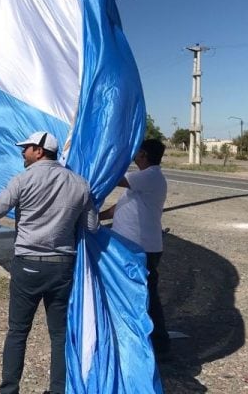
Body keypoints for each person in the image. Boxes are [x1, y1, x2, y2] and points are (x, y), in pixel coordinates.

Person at [0, 131, 98, 394]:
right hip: (62, 265)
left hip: (28, 264)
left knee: (18, 331)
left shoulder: (23, 180)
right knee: (60, 334)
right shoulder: (79, 183)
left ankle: (9, 390)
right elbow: (92, 226)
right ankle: (58, 390)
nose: (22, 152)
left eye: (26, 148)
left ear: (39, 151)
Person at [99, 138, 171, 356]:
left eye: (136, 151)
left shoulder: (150, 176)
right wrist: (94, 216)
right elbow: (116, 209)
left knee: (145, 294)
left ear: (143, 154)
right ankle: (137, 338)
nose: (134, 154)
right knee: (134, 292)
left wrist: (107, 159)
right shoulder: (140, 179)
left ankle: (158, 344)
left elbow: (114, 179)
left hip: (142, 248)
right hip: (133, 246)